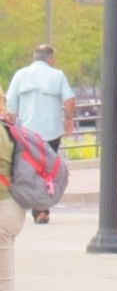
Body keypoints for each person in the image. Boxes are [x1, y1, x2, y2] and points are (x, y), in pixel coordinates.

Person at [4, 44, 75, 224]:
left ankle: (28, 203)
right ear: (50, 59)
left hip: (26, 133)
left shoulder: (20, 75)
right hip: (51, 133)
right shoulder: (57, 75)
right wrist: (68, 119)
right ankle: (41, 209)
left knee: (24, 167)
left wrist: (10, 124)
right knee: (47, 170)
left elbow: (10, 102)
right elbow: (69, 99)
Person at [0, 112, 26, 291]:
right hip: (11, 207)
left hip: (2, 208)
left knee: (2, 283)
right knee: (4, 281)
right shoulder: (6, 126)